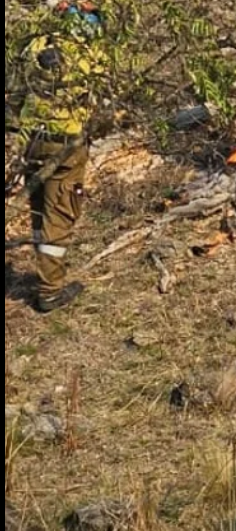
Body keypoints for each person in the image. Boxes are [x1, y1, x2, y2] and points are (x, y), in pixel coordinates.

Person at [15, 1, 106, 312]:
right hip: (65, 143)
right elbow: (101, 88)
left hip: (31, 139)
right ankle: (50, 290)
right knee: (60, 213)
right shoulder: (86, 48)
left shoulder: (36, 42)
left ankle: (43, 270)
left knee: (39, 206)